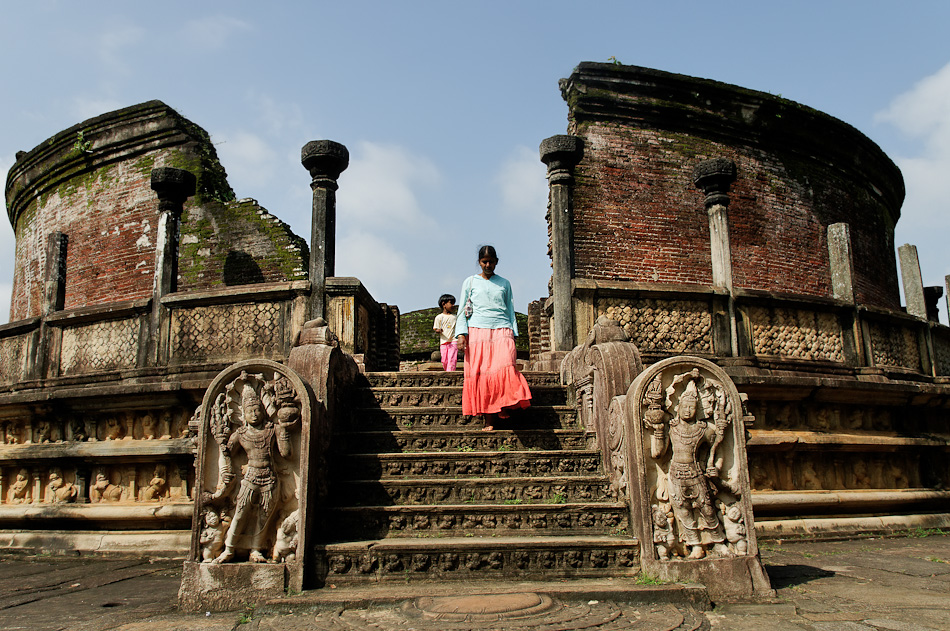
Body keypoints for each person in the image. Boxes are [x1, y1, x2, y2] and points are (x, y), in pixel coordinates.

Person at [455, 245, 531, 431]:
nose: (488, 265)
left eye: (491, 261)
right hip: (477, 331)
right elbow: (461, 311)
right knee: (483, 375)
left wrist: (513, 333)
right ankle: (490, 421)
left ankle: (504, 406)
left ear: (496, 262)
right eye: (484, 261)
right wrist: (461, 334)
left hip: (502, 329)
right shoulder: (470, 282)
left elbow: (510, 309)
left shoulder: (505, 283)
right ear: (479, 262)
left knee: (505, 367)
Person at [433, 294, 458, 371]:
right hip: (444, 341)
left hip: (453, 341)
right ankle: (447, 372)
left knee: (452, 359)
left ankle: (451, 374)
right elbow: (435, 328)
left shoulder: (455, 317)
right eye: (451, 303)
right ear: (444, 304)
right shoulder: (439, 317)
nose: (453, 305)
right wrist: (438, 330)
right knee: (444, 360)